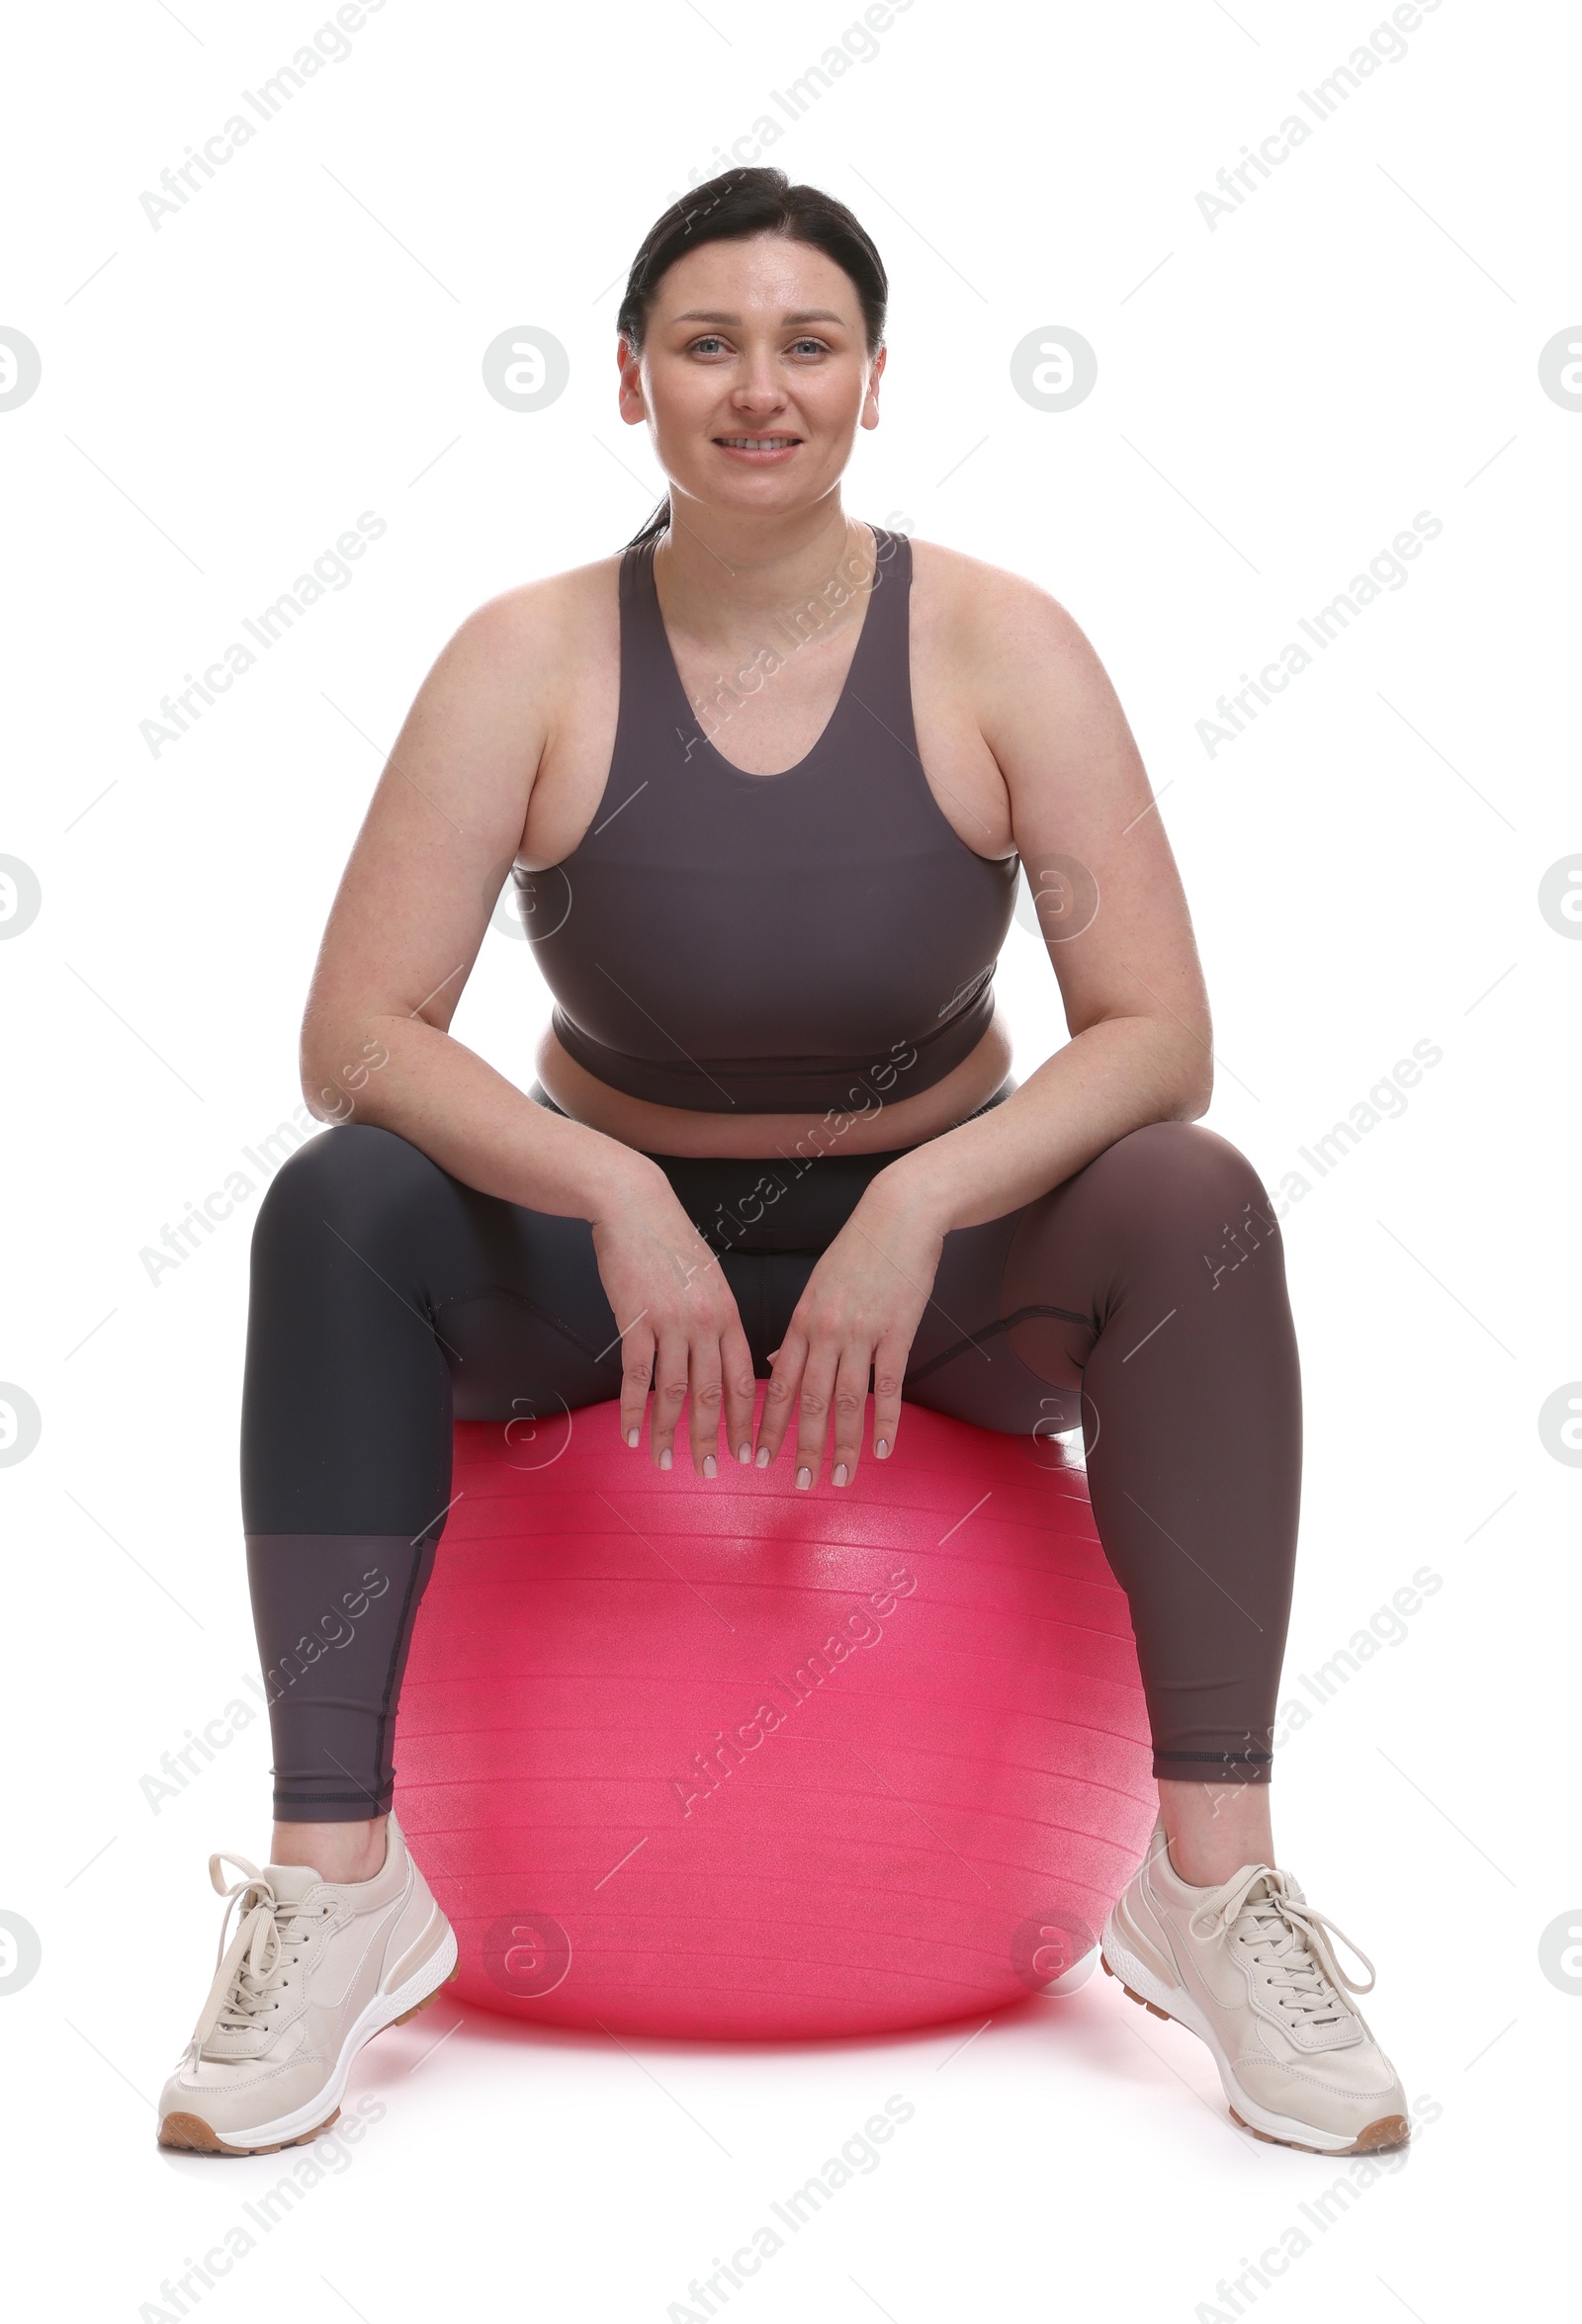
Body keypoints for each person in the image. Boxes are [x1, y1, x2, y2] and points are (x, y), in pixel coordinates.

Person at [156, 166, 1406, 2159]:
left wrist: (922, 1194)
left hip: (947, 1272)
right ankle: (336, 1882)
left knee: (1196, 1197)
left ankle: (1206, 1877)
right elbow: (357, 1043)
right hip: (605, 1267)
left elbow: (1155, 1033)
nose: (760, 386)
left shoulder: (999, 644)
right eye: (708, 343)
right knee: (339, 1209)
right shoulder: (527, 657)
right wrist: (612, 1195)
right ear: (629, 379)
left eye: (805, 343)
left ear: (875, 380)